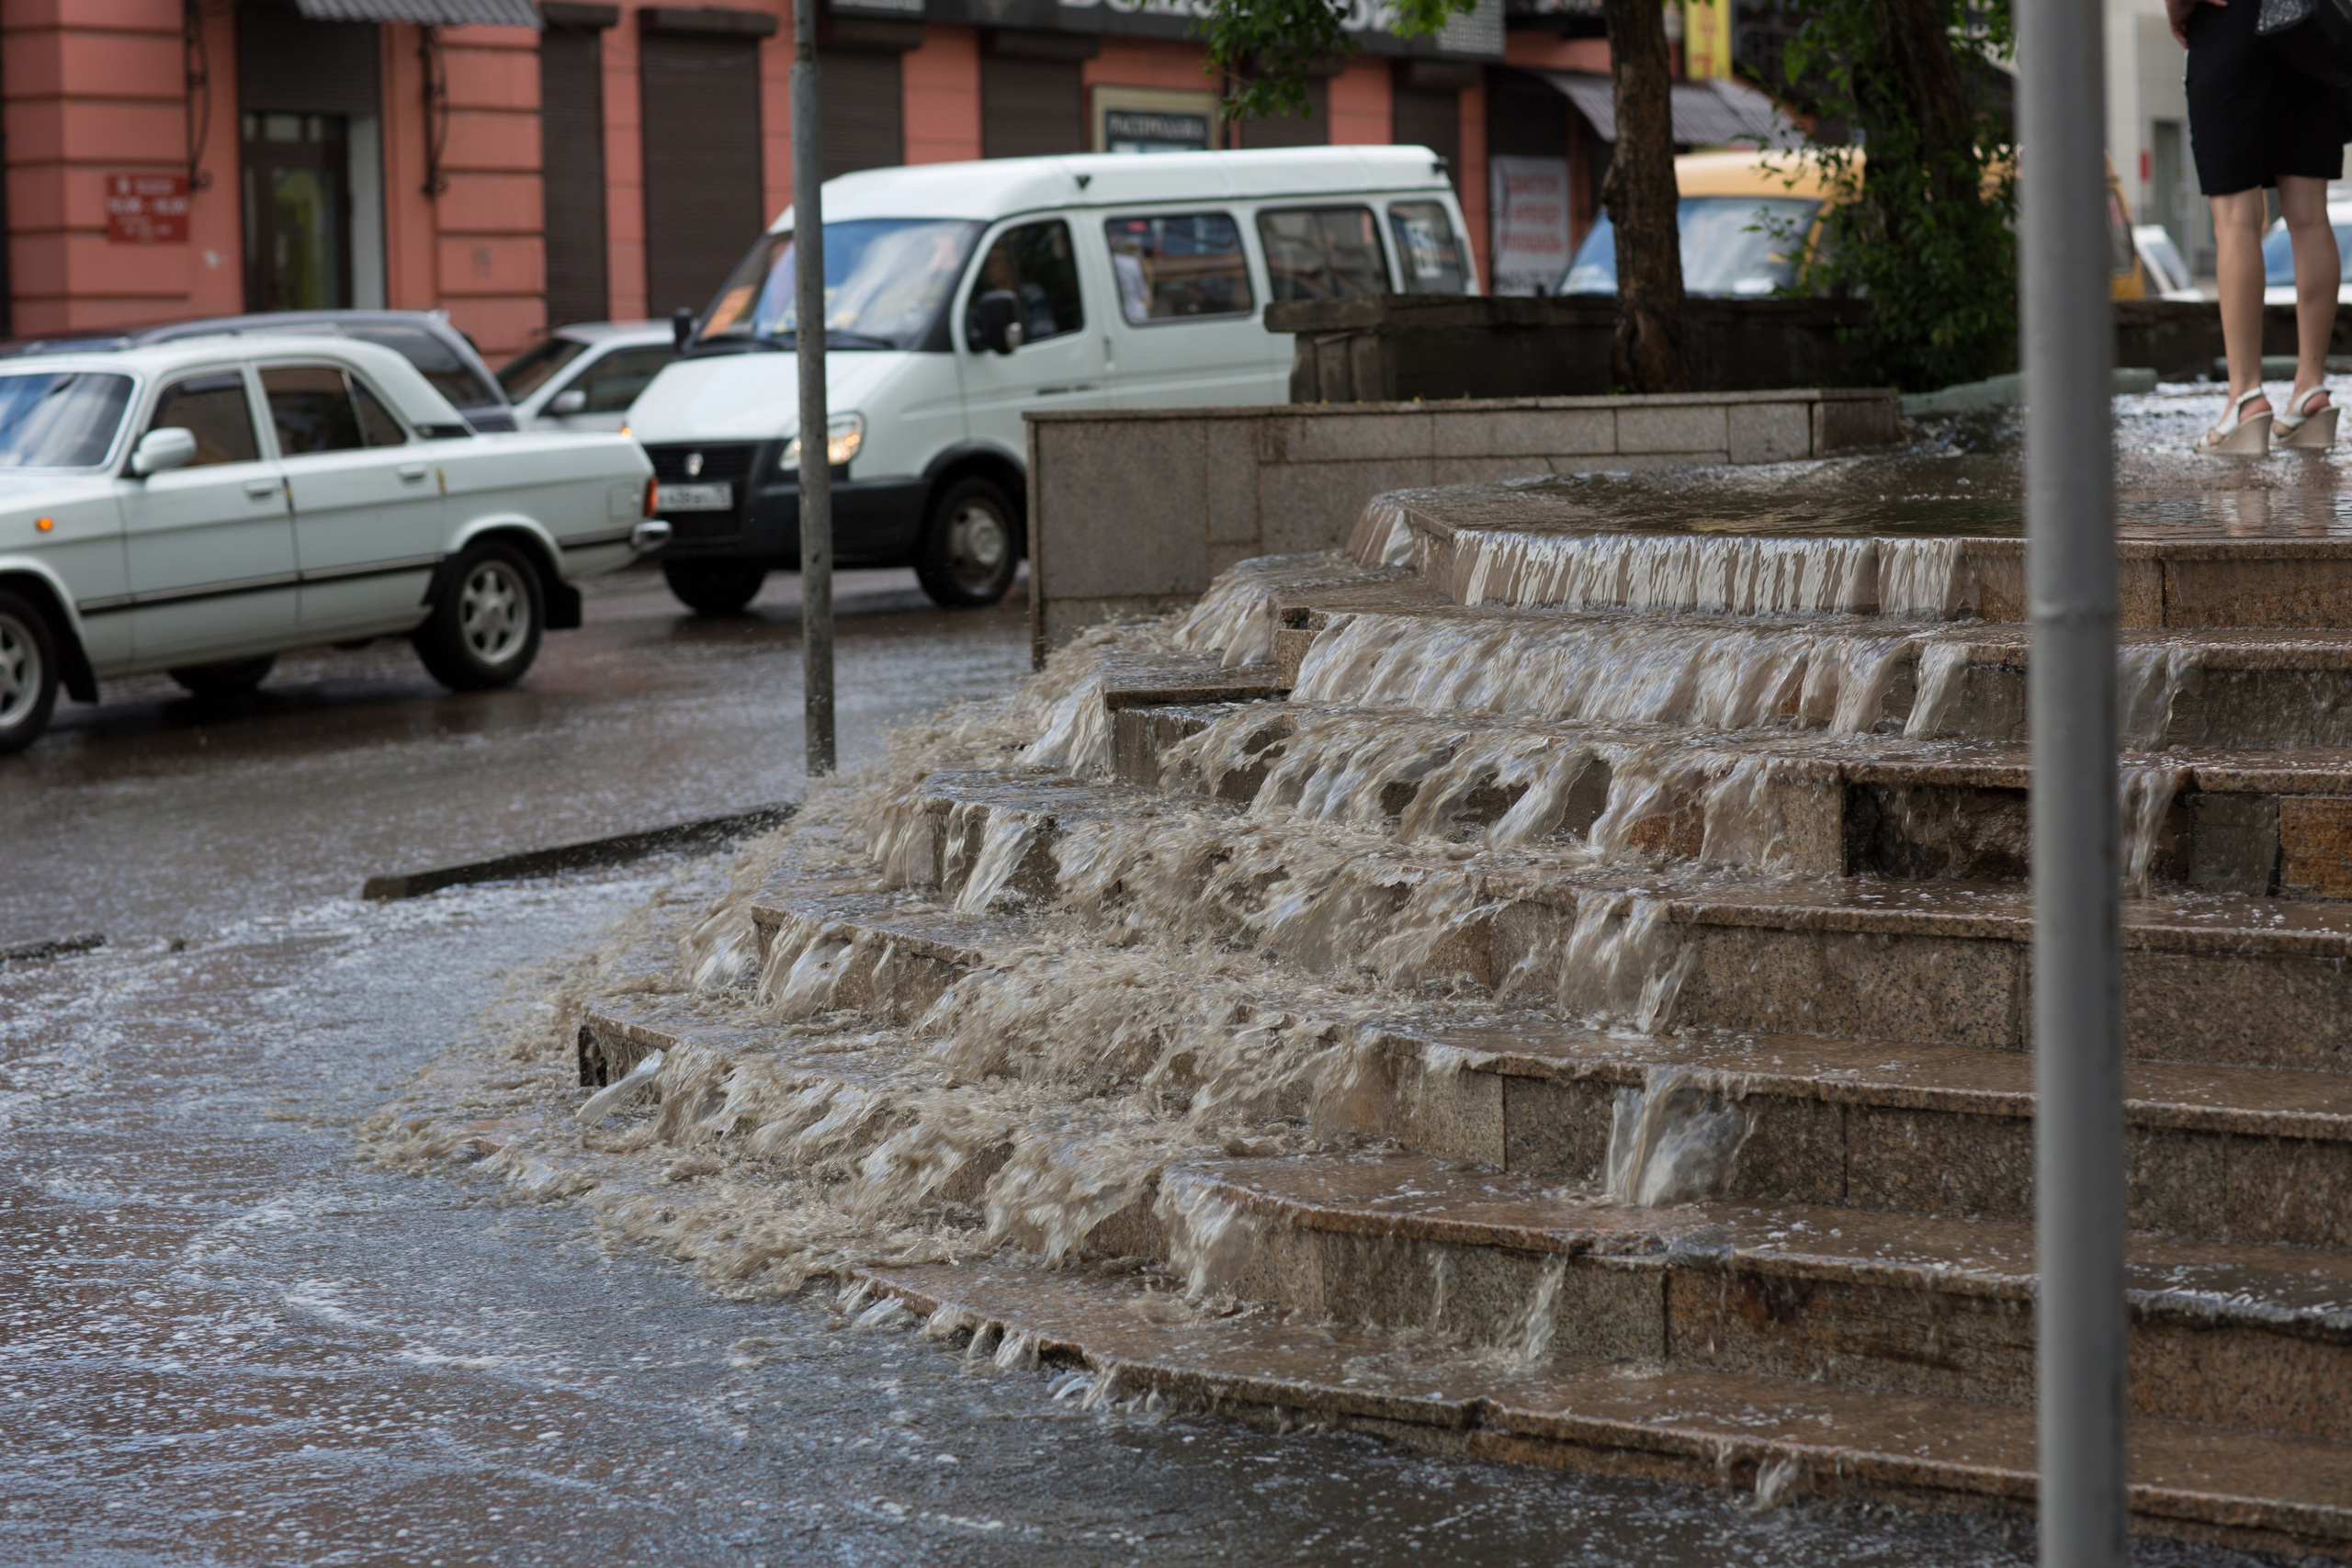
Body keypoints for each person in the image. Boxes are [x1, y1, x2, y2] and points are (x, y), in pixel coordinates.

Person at [2173, 0, 2344, 453]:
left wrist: (2177, 10)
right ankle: (2310, 388)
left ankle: (2245, 397)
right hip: (2310, 27)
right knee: (2310, 216)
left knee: (2236, 220)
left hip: (2230, 25)